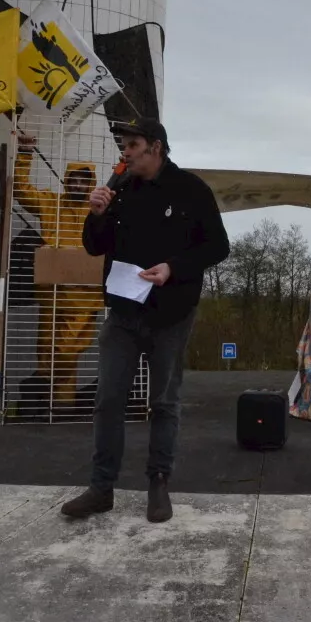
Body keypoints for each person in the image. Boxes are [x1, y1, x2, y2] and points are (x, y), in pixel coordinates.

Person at [60, 118, 230, 522]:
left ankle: (158, 483)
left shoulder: (191, 190)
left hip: (171, 314)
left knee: (164, 402)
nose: (125, 151)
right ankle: (101, 488)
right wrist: (96, 214)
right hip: (122, 312)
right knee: (108, 401)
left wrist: (173, 267)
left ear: (156, 147)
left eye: (132, 144)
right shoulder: (118, 190)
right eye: (123, 144)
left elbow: (218, 246)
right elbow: (93, 246)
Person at [12, 133, 105, 415]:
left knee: (70, 346)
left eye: (84, 180)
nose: (78, 185)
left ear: (91, 184)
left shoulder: (100, 210)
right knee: (48, 346)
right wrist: (26, 153)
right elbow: (22, 190)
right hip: (51, 291)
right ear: (66, 180)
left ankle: (41, 384)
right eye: (74, 179)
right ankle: (57, 406)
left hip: (86, 295)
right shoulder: (50, 203)